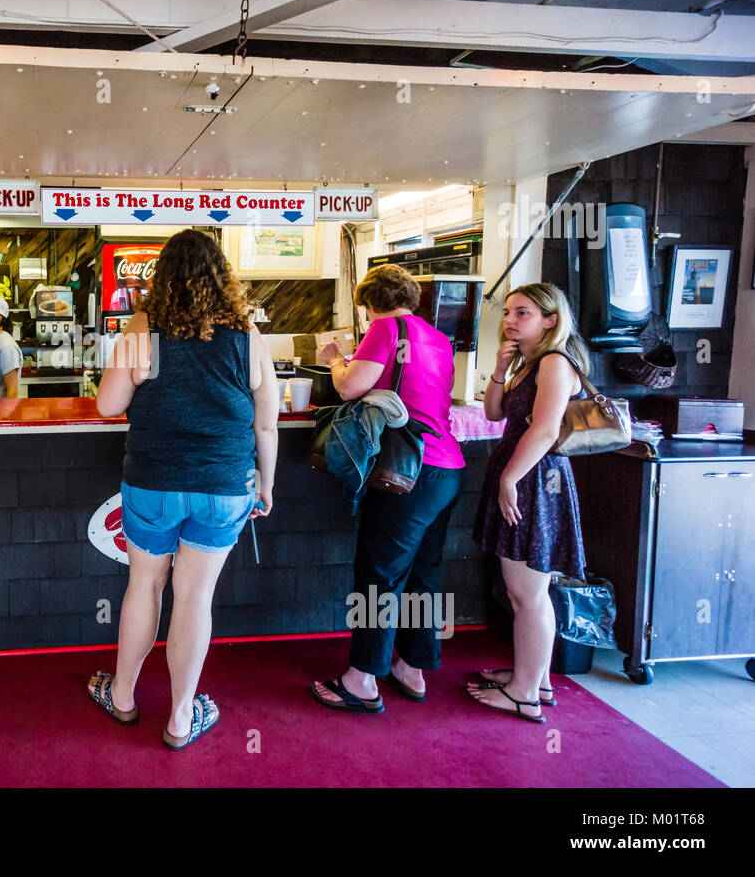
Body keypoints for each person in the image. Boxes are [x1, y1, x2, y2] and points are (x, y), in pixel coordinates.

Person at [87, 229, 278, 751]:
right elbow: (266, 424)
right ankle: (179, 719)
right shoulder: (247, 336)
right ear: (224, 280)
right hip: (224, 486)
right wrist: (267, 483)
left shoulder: (142, 330)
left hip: (153, 483)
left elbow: (106, 406)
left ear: (162, 277)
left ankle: (123, 697)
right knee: (195, 596)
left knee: (144, 588)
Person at [309, 264, 465, 714]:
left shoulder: (385, 327)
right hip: (447, 467)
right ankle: (412, 667)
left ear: (368, 303)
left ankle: (361, 680)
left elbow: (347, 387)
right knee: (423, 572)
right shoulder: (436, 336)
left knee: (379, 575)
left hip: (406, 472)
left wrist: (336, 356)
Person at [468, 283, 589, 724]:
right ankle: (534, 678)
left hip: (535, 480)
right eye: (508, 313)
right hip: (523, 475)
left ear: (551, 319)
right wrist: (500, 369)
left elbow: (543, 430)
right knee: (525, 593)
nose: (510, 320)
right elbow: (494, 415)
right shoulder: (529, 362)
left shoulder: (555, 362)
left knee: (529, 594)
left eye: (522, 313)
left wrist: (509, 478)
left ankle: (524, 694)